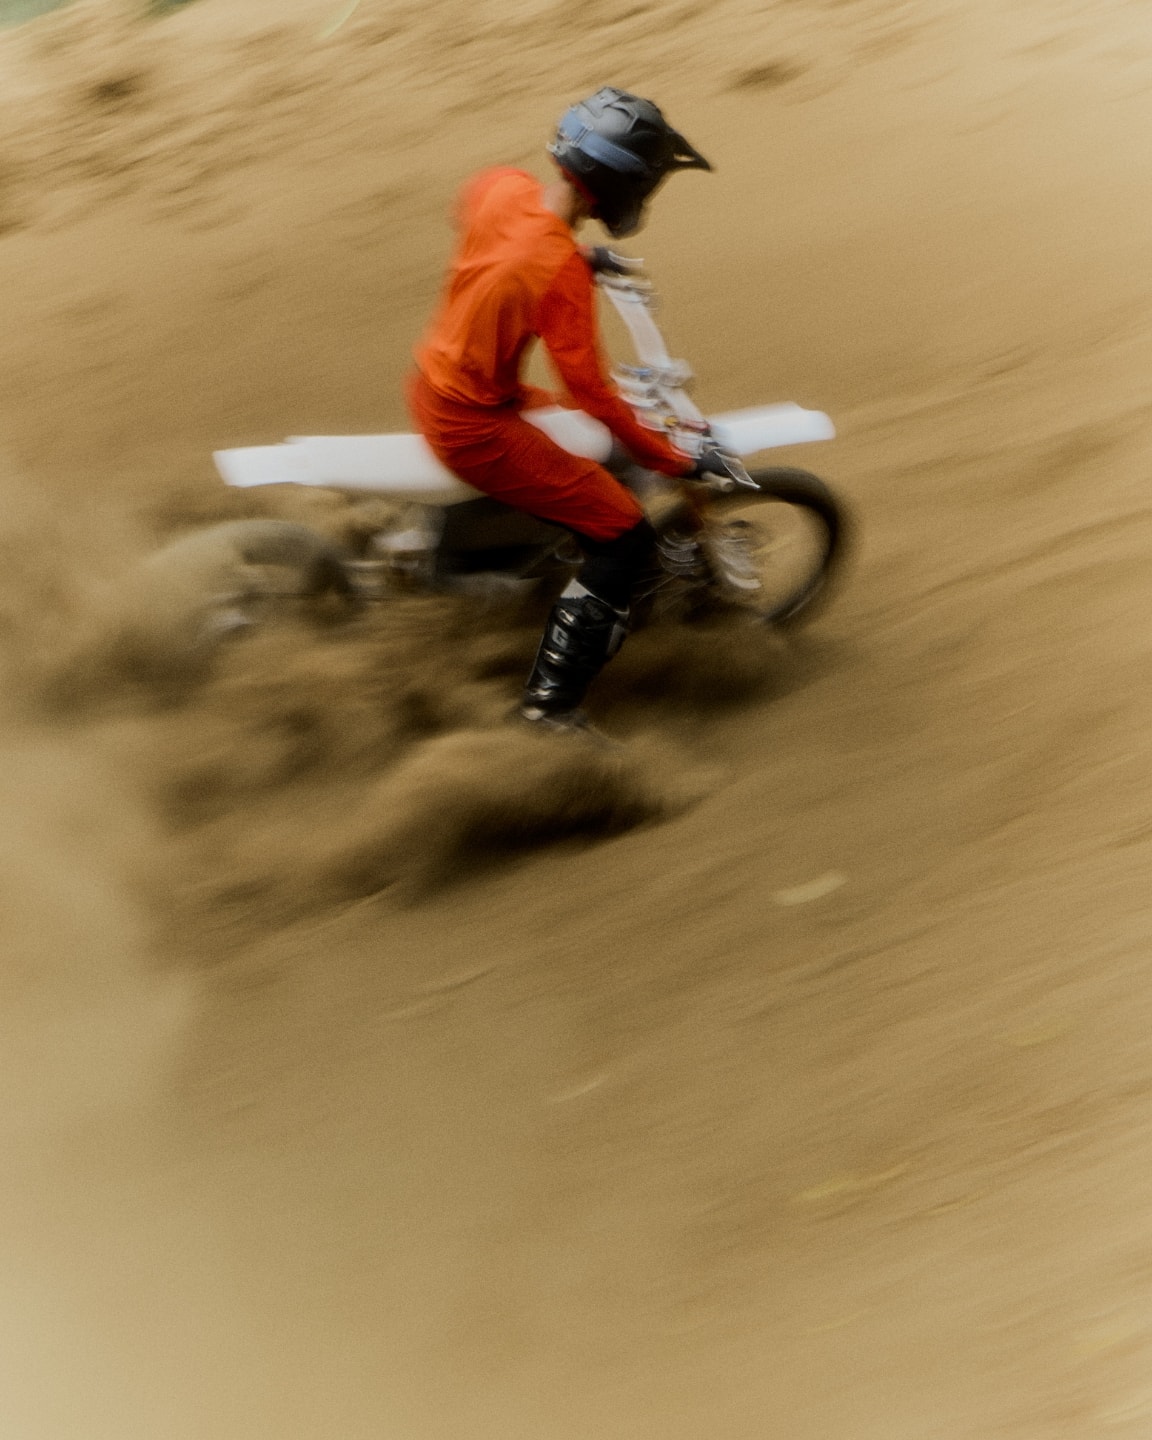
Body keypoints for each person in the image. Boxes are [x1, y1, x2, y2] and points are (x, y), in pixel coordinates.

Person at [408, 86, 731, 731]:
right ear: (622, 185)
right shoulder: (558, 273)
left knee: (586, 454)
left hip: (435, 380)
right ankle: (549, 709)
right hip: (473, 425)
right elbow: (595, 398)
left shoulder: (502, 186)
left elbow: (477, 223)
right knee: (626, 538)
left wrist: (573, 252)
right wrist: (674, 459)